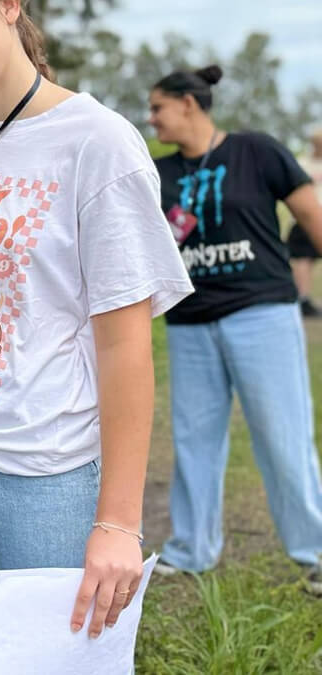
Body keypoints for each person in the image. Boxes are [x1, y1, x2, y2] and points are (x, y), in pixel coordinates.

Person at [0, 0, 196, 671]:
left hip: (45, 466)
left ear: (7, 5)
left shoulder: (98, 143)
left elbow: (125, 347)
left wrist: (117, 522)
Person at [146, 65, 322, 593]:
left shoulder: (257, 150)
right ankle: (192, 550)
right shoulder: (162, 173)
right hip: (191, 322)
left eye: (158, 107)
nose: (151, 118)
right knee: (194, 439)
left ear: (189, 104)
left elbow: (312, 217)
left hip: (261, 313)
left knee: (282, 434)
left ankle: (315, 549)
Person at [287, 127, 322, 317]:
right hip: (302, 219)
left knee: (309, 260)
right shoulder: (303, 163)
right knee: (302, 259)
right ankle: (303, 298)